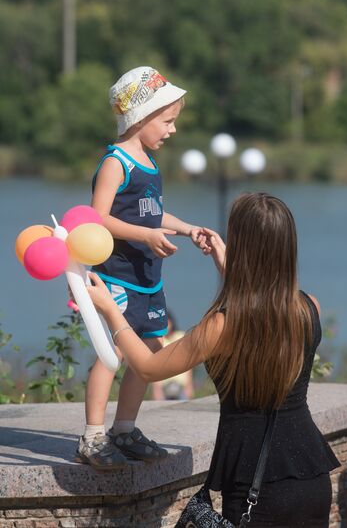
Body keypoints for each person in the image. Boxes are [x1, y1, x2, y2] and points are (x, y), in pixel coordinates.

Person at [86, 192, 340, 527]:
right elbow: (265, 321)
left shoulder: (221, 326)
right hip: (312, 478)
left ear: (243, 249)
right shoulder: (309, 308)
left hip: (255, 487)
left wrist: (111, 312)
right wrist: (229, 268)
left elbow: (148, 366)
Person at [75, 66, 210, 470]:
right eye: (167, 121)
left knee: (150, 350)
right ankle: (93, 435)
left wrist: (186, 229)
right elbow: (97, 218)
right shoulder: (116, 163)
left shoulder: (148, 162)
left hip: (148, 279)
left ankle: (125, 428)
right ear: (140, 117)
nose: (171, 130)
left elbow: (154, 214)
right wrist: (144, 236)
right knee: (113, 353)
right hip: (117, 275)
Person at [151, 311, 193, 400]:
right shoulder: (157, 340)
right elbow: (154, 365)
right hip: (163, 386)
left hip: (181, 385)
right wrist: (156, 389)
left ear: (171, 322)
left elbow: (188, 362)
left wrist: (189, 385)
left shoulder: (181, 336)